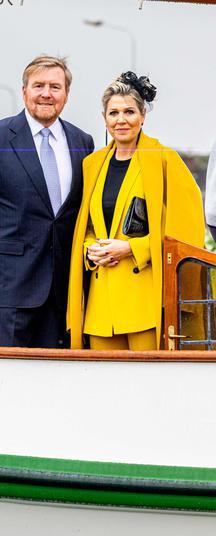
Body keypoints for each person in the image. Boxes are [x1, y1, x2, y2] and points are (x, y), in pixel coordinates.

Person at [0, 56, 95, 348]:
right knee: (6, 382)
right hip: (6, 290)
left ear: (66, 94)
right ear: (24, 91)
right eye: (38, 85)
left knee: (55, 384)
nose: (46, 94)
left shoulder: (82, 141)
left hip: (63, 293)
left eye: (55, 86)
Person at [66, 73, 206, 351]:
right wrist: (90, 247)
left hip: (146, 304)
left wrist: (132, 249)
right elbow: (88, 225)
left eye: (129, 111)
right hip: (100, 307)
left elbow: (187, 231)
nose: (121, 120)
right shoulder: (92, 164)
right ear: (104, 118)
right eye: (113, 113)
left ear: (143, 115)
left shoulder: (165, 159)